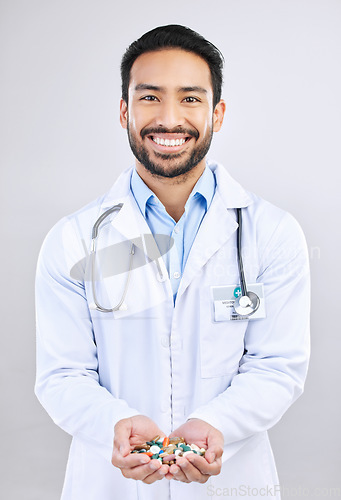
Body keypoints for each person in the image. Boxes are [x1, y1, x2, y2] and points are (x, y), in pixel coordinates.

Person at [35, 24, 310, 500]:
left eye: (189, 98)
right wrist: (116, 424)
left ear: (216, 113)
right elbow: (63, 375)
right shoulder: (74, 239)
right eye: (149, 98)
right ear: (124, 111)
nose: (168, 119)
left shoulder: (272, 234)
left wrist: (214, 423)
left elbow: (277, 367)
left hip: (231, 484)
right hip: (110, 485)